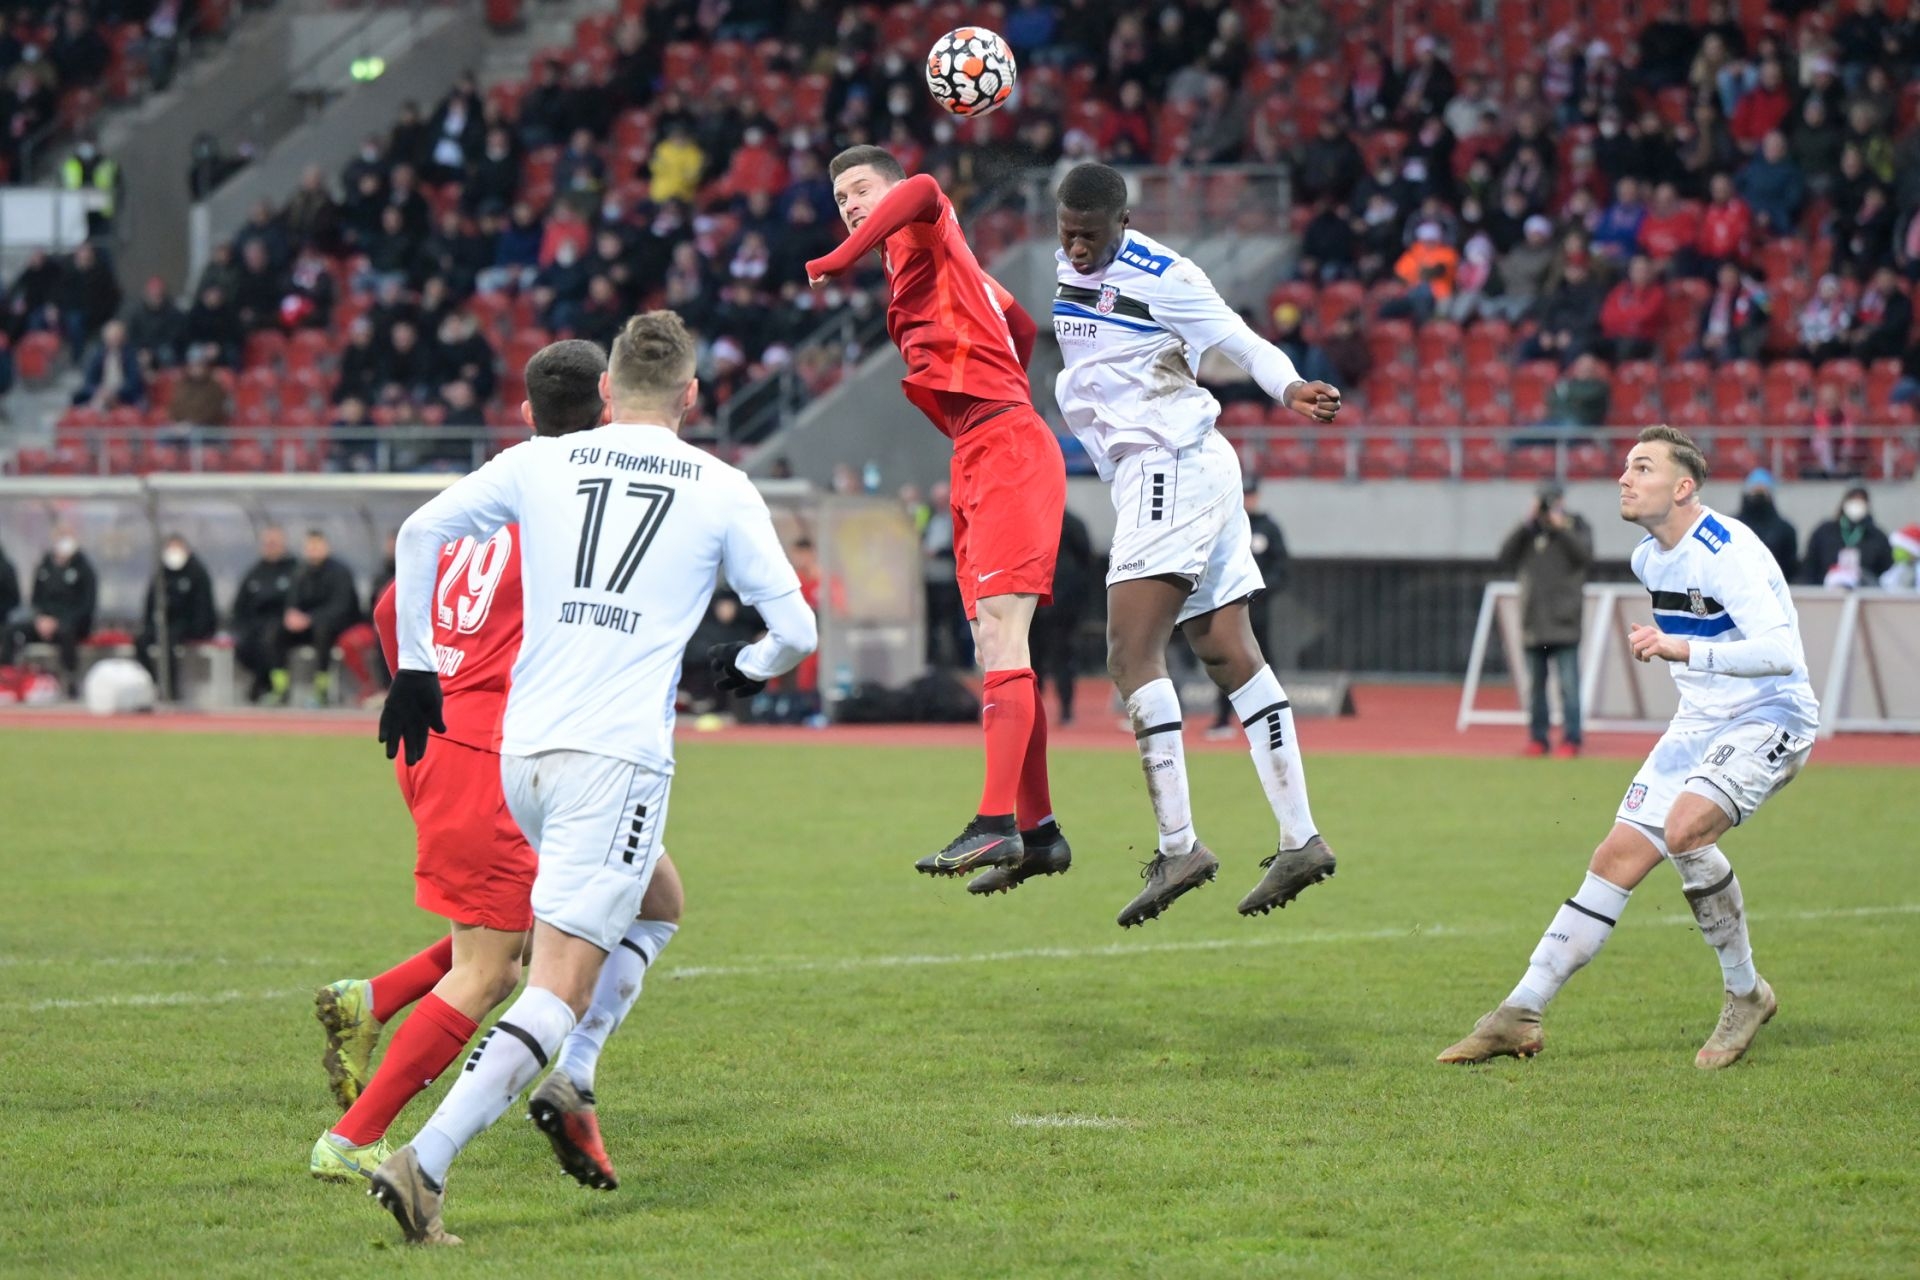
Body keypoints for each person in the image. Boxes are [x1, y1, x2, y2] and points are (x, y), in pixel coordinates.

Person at [367, 312, 816, 1244]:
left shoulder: (542, 462)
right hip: (614, 759)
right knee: (559, 982)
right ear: (693, 397)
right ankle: (426, 1162)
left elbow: (417, 531)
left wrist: (416, 667)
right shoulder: (724, 486)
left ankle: (576, 1072)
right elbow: (798, 634)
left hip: (523, 754)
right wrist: (741, 667)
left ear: (605, 392)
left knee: (659, 902)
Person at [309, 341, 687, 1193]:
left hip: (437, 733)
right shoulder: (582, 506)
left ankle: (375, 1000)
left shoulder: (491, 487)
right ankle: (354, 1138)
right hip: (496, 754)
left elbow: (387, 600)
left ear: (525, 415)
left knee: (651, 896)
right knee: (496, 967)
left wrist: (420, 672)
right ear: (611, 405)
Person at [1441, 425, 1817, 1070]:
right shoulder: (1648, 556)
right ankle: (1520, 1011)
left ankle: (1745, 993)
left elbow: (1781, 653)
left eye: (1642, 467)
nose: (1624, 477)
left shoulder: (1727, 551)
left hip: (1769, 713)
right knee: (1614, 856)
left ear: (1682, 486)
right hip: (1698, 723)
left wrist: (1681, 647)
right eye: (1624, 466)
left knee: (1686, 831)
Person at [1043, 162, 1340, 926]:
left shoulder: (1167, 275)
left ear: (1124, 222)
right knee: (1223, 649)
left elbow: (1239, 341)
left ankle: (1179, 843)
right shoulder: (1064, 260)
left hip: (1168, 463)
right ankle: (1301, 838)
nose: (1075, 248)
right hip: (1185, 467)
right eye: (1066, 232)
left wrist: (1291, 387)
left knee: (1128, 653)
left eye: (1090, 235)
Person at [804, 146, 1069, 882]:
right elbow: (1015, 325)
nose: (851, 205)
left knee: (1002, 634)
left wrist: (837, 255)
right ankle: (1038, 830)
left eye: (859, 191)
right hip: (979, 448)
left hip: (1007, 444)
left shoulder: (921, 222)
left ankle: (994, 824)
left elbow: (921, 188)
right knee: (994, 644)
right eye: (840, 201)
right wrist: (1001, 367)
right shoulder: (943, 266)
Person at [1498, 482, 1595, 757]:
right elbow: (1504, 555)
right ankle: (1537, 738)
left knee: (1569, 686)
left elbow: (1585, 557)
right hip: (1534, 623)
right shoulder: (1529, 532)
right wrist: (1526, 523)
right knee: (1535, 688)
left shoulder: (1576, 525)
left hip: (1564, 623)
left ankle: (1572, 739)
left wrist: (1561, 527)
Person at [1208, 476, 1290, 737]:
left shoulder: (1268, 528)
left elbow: (1282, 568)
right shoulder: (1228, 527)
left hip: (1259, 610)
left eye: (1252, 495)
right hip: (1230, 608)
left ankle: (1273, 717)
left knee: (1263, 663)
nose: (1249, 500)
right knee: (1227, 661)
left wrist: (1262, 590)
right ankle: (1223, 719)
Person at [270, 530, 363, 704]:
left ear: (326, 547)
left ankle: (321, 688)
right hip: (306, 626)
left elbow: (341, 607)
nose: (313, 550)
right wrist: (292, 616)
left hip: (335, 626)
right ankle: (280, 687)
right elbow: (292, 601)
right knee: (276, 632)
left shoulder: (340, 572)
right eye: (309, 546)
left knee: (323, 632)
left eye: (317, 546)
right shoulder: (300, 572)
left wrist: (311, 619)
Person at [1, 528, 98, 692]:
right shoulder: (44, 567)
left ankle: (70, 681)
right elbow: (36, 599)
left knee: (67, 634)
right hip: (42, 622)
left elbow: (86, 605)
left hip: (70, 624)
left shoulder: (84, 570)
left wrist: (59, 622)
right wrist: (40, 619)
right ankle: (7, 677)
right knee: (12, 631)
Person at [1027, 511, 1092, 726]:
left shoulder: (1034, 520)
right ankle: (1061, 710)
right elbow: (1086, 559)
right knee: (1059, 657)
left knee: (1038, 656)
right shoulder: (1072, 523)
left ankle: (1038, 709)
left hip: (1039, 599)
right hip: (1055, 601)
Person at [137, 534, 216, 700]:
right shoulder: (161, 573)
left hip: (189, 625)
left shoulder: (197, 572)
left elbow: (203, 607)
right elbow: (150, 603)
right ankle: (152, 683)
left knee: (168, 641)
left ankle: (171, 691)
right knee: (141, 640)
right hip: (164, 624)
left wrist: (198, 629)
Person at [232, 527, 298, 702]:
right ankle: (263, 680)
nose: (271, 547)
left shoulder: (295, 569)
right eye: (268, 543)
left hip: (283, 625)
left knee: (270, 641)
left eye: (275, 543)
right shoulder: (254, 572)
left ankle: (279, 688)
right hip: (255, 624)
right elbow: (240, 605)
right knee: (243, 646)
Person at [1800, 486, 1894, 587]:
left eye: (1861, 501)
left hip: (1865, 593)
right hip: (1825, 593)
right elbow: (1809, 566)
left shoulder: (1877, 537)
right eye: (1853, 500)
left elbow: (1886, 572)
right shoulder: (1824, 532)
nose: (1856, 505)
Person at [1735, 469, 1799, 581]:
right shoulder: (1732, 527)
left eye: (1762, 493)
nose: (1758, 498)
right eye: (1755, 492)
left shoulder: (1786, 530)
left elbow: (1790, 570)